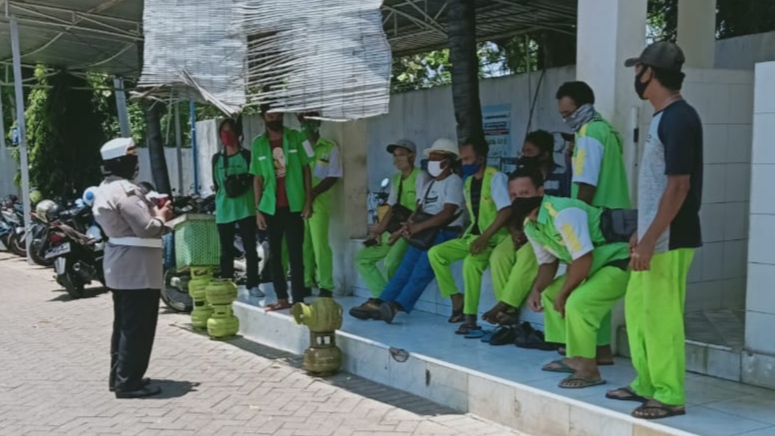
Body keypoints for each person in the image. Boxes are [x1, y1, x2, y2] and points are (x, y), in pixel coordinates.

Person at [606, 42, 702, 420]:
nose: (635, 77)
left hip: (668, 240)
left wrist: (650, 238)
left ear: (649, 73)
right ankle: (646, 382)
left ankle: (669, 393)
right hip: (652, 237)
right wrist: (640, 233)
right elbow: (657, 187)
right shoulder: (665, 117)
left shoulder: (680, 118)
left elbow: (679, 186)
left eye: (638, 70)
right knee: (639, 312)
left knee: (662, 318)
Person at [510, 166, 631, 389]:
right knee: (549, 293)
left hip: (618, 259)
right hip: (593, 265)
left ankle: (589, 370)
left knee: (578, 302)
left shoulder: (563, 213)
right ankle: (574, 356)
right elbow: (547, 262)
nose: (519, 200)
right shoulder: (531, 225)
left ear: (540, 191)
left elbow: (583, 259)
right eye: (514, 195)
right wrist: (537, 289)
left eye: (524, 194)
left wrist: (565, 292)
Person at [556, 80, 632, 363]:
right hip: (616, 217)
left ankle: (585, 353)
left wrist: (578, 219)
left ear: (583, 106)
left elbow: (585, 183)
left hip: (596, 219)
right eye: (563, 114)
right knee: (597, 285)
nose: (566, 119)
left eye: (568, 112)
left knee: (586, 285)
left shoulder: (589, 134)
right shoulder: (607, 131)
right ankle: (600, 350)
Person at [351, 138, 464, 323]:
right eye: (432, 158)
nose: (433, 162)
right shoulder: (431, 184)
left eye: (437, 158)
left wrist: (417, 227)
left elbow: (447, 214)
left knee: (421, 270)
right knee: (404, 269)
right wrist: (408, 227)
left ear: (448, 160)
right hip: (426, 231)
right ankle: (381, 302)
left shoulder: (454, 182)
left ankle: (396, 306)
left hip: (444, 232)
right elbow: (419, 210)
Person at [92, 137, 172, 399]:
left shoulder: (105, 188)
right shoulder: (125, 190)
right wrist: (162, 216)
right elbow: (146, 228)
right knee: (137, 328)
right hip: (137, 268)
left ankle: (120, 376)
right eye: (132, 159)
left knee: (125, 326)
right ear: (122, 163)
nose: (136, 164)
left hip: (122, 265)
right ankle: (129, 382)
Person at [428, 139, 511, 334]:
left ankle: (469, 317)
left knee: (470, 264)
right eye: (462, 160)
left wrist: (485, 237)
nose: (464, 164)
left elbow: (506, 211)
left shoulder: (496, 178)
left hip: (495, 239)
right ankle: (456, 297)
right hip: (473, 237)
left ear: (481, 158)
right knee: (436, 253)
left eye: (467, 159)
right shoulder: (467, 182)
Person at [350, 139, 425, 318]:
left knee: (391, 262)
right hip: (394, 230)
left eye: (401, 155)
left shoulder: (420, 176)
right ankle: (382, 299)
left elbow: (419, 209)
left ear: (412, 156)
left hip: (411, 231)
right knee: (362, 258)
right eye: (395, 156)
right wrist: (378, 232)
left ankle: (388, 302)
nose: (397, 159)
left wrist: (399, 234)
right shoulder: (397, 179)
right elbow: (391, 209)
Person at [250, 105, 314, 311]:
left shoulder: (296, 137)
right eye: (271, 115)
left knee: (296, 255)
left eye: (278, 115)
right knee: (275, 256)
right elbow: (257, 179)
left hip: (294, 206)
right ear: (263, 117)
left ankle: (298, 300)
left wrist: (308, 201)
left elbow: (306, 170)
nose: (275, 118)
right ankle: (282, 298)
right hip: (271, 208)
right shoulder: (258, 144)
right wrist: (258, 209)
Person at [212, 118, 261, 298]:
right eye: (223, 132)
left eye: (230, 131)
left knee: (250, 247)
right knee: (226, 251)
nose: (226, 135)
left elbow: (256, 179)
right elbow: (217, 184)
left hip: (246, 208)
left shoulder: (247, 156)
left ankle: (253, 283)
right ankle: (227, 283)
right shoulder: (217, 159)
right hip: (224, 209)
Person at [297, 112, 342, 298]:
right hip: (297, 202)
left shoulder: (329, 147)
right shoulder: (298, 145)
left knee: (320, 245)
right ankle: (306, 282)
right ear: (300, 121)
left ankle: (326, 285)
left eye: (314, 119)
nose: (311, 123)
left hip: (320, 203)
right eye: (306, 119)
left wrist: (312, 194)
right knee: (303, 244)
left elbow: (333, 175)